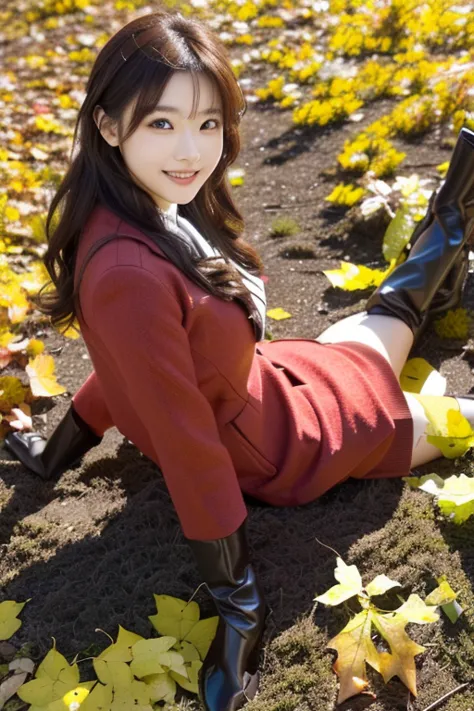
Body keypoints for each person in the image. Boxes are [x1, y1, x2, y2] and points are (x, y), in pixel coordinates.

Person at [4, 8, 474, 710]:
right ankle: (451, 227)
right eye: (161, 123)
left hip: (284, 380)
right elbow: (189, 444)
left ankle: (451, 222)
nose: (192, 151)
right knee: (454, 411)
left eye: (208, 123)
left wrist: (58, 447)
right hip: (295, 446)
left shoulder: (134, 210)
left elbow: (132, 369)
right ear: (107, 125)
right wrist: (239, 607)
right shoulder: (132, 269)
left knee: (381, 325)